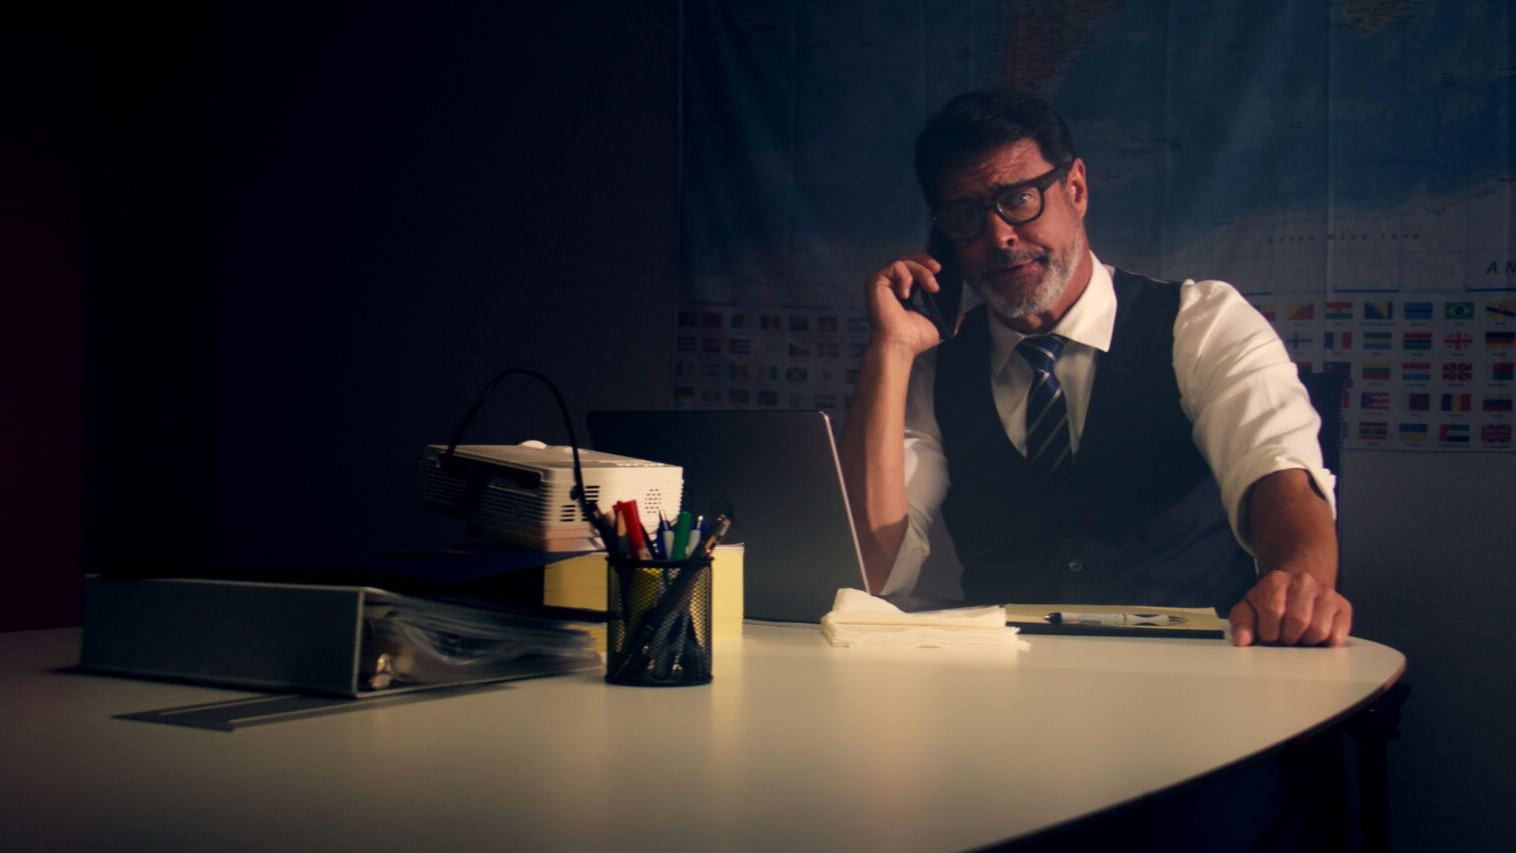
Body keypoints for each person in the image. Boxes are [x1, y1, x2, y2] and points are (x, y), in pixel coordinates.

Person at [838, 88, 1351, 647]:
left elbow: (1277, 469)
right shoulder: (936, 367)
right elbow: (871, 575)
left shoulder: (1200, 322)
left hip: (1192, 669)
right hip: (1006, 677)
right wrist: (889, 351)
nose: (999, 236)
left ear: (1076, 189)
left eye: (1019, 199)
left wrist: (1296, 581)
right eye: (966, 215)